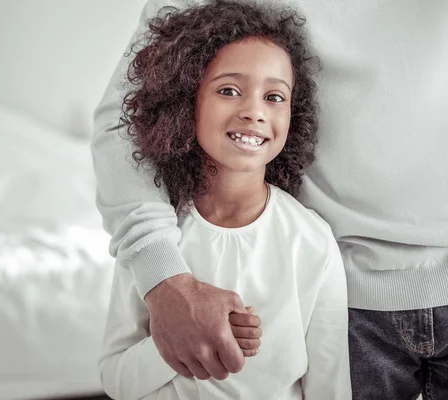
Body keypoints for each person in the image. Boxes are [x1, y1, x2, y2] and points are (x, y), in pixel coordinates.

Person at [92, 0, 448, 398]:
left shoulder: (309, 242)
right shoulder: (152, 243)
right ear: (183, 101)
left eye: (274, 97)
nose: (253, 112)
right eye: (229, 90)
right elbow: (117, 377)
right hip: (358, 297)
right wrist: (172, 334)